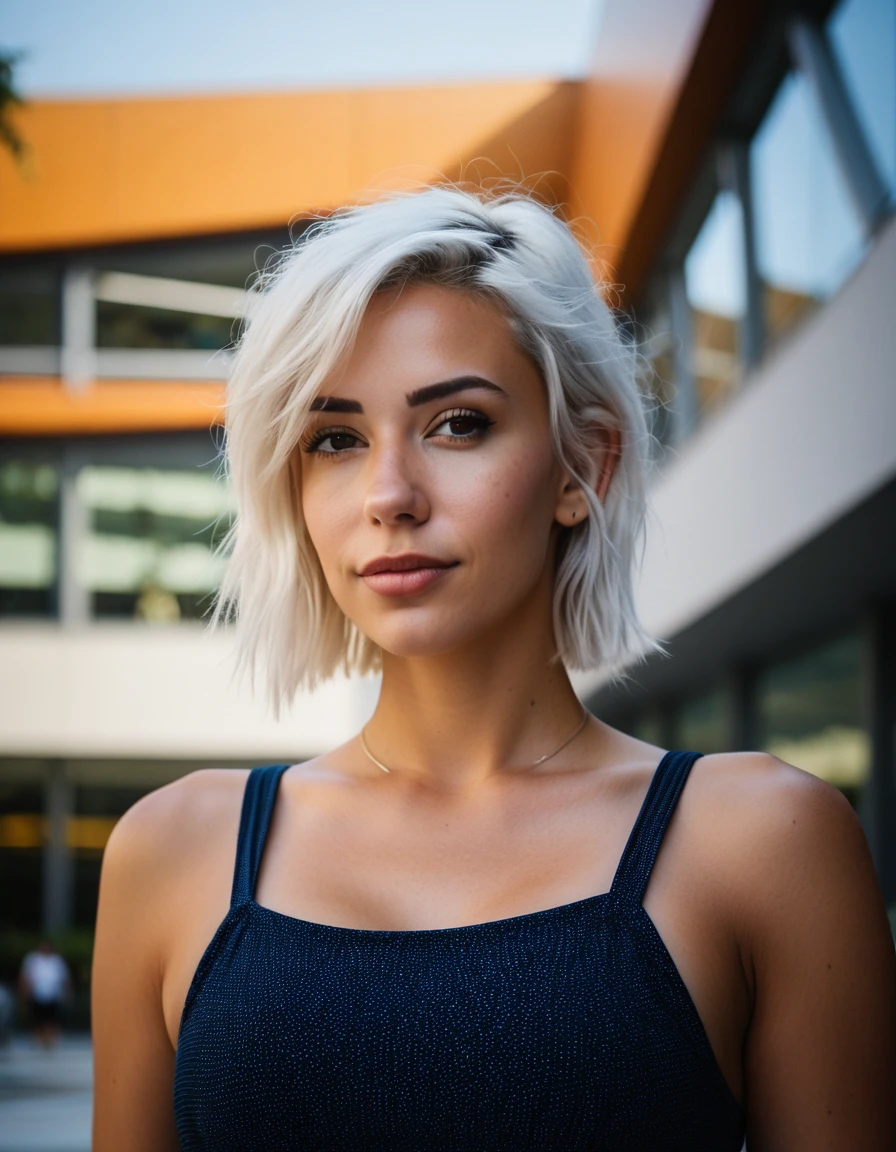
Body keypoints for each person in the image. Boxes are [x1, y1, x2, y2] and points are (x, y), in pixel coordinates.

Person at [91, 186, 896, 1150]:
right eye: (335, 439)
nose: (389, 495)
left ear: (581, 469)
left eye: (457, 423)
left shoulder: (765, 841)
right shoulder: (171, 853)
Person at [18, 937, 71, 1050]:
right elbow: (26, 976)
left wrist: (67, 992)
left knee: (52, 1019)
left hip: (53, 995)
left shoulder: (57, 960)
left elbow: (64, 978)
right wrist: (25, 991)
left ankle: (51, 1040)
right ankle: (39, 1040)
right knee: (38, 1019)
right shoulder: (32, 959)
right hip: (38, 994)